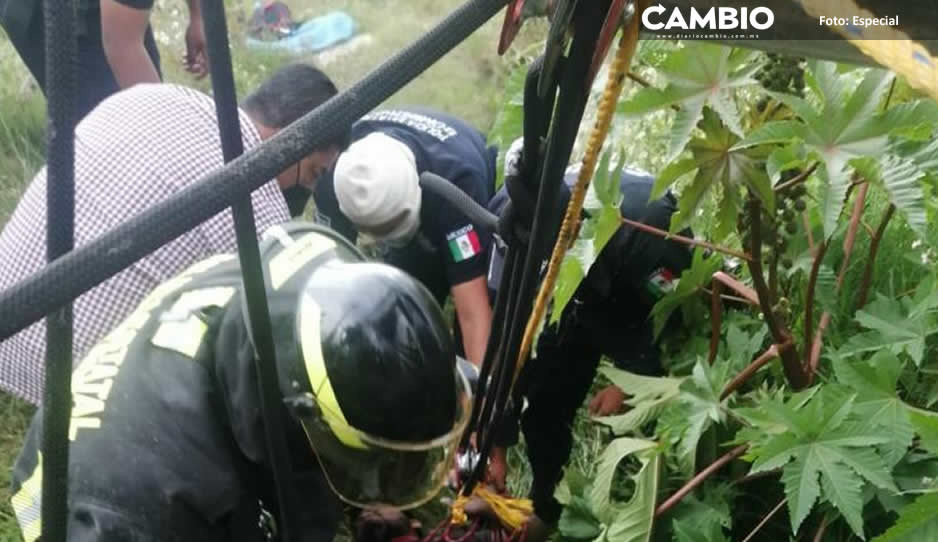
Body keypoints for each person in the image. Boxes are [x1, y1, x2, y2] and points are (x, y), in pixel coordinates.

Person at [10, 222, 472, 541]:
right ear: (302, 414)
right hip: (88, 494)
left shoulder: (316, 291)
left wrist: (369, 505)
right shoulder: (137, 512)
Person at [0, 62, 349, 405]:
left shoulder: (155, 97)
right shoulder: (257, 212)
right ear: (297, 140)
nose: (303, 192)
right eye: (313, 174)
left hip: (9, 315)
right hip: (62, 386)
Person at [482, 139, 693, 530]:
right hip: (569, 300)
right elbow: (502, 331)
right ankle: (547, 509)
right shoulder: (503, 216)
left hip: (625, 291)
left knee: (639, 422)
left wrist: (631, 381)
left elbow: (671, 319)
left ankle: (639, 502)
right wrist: (495, 437)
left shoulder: (648, 229)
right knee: (544, 407)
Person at [312, 108, 497, 367]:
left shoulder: (460, 186)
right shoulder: (333, 173)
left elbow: (473, 313)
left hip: (465, 195)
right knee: (399, 315)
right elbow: (324, 281)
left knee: (481, 315)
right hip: (415, 195)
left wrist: (485, 397)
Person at [0, 0, 206, 121]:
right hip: (41, 10)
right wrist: (168, 139)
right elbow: (122, 45)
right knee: (109, 126)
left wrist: (200, 15)